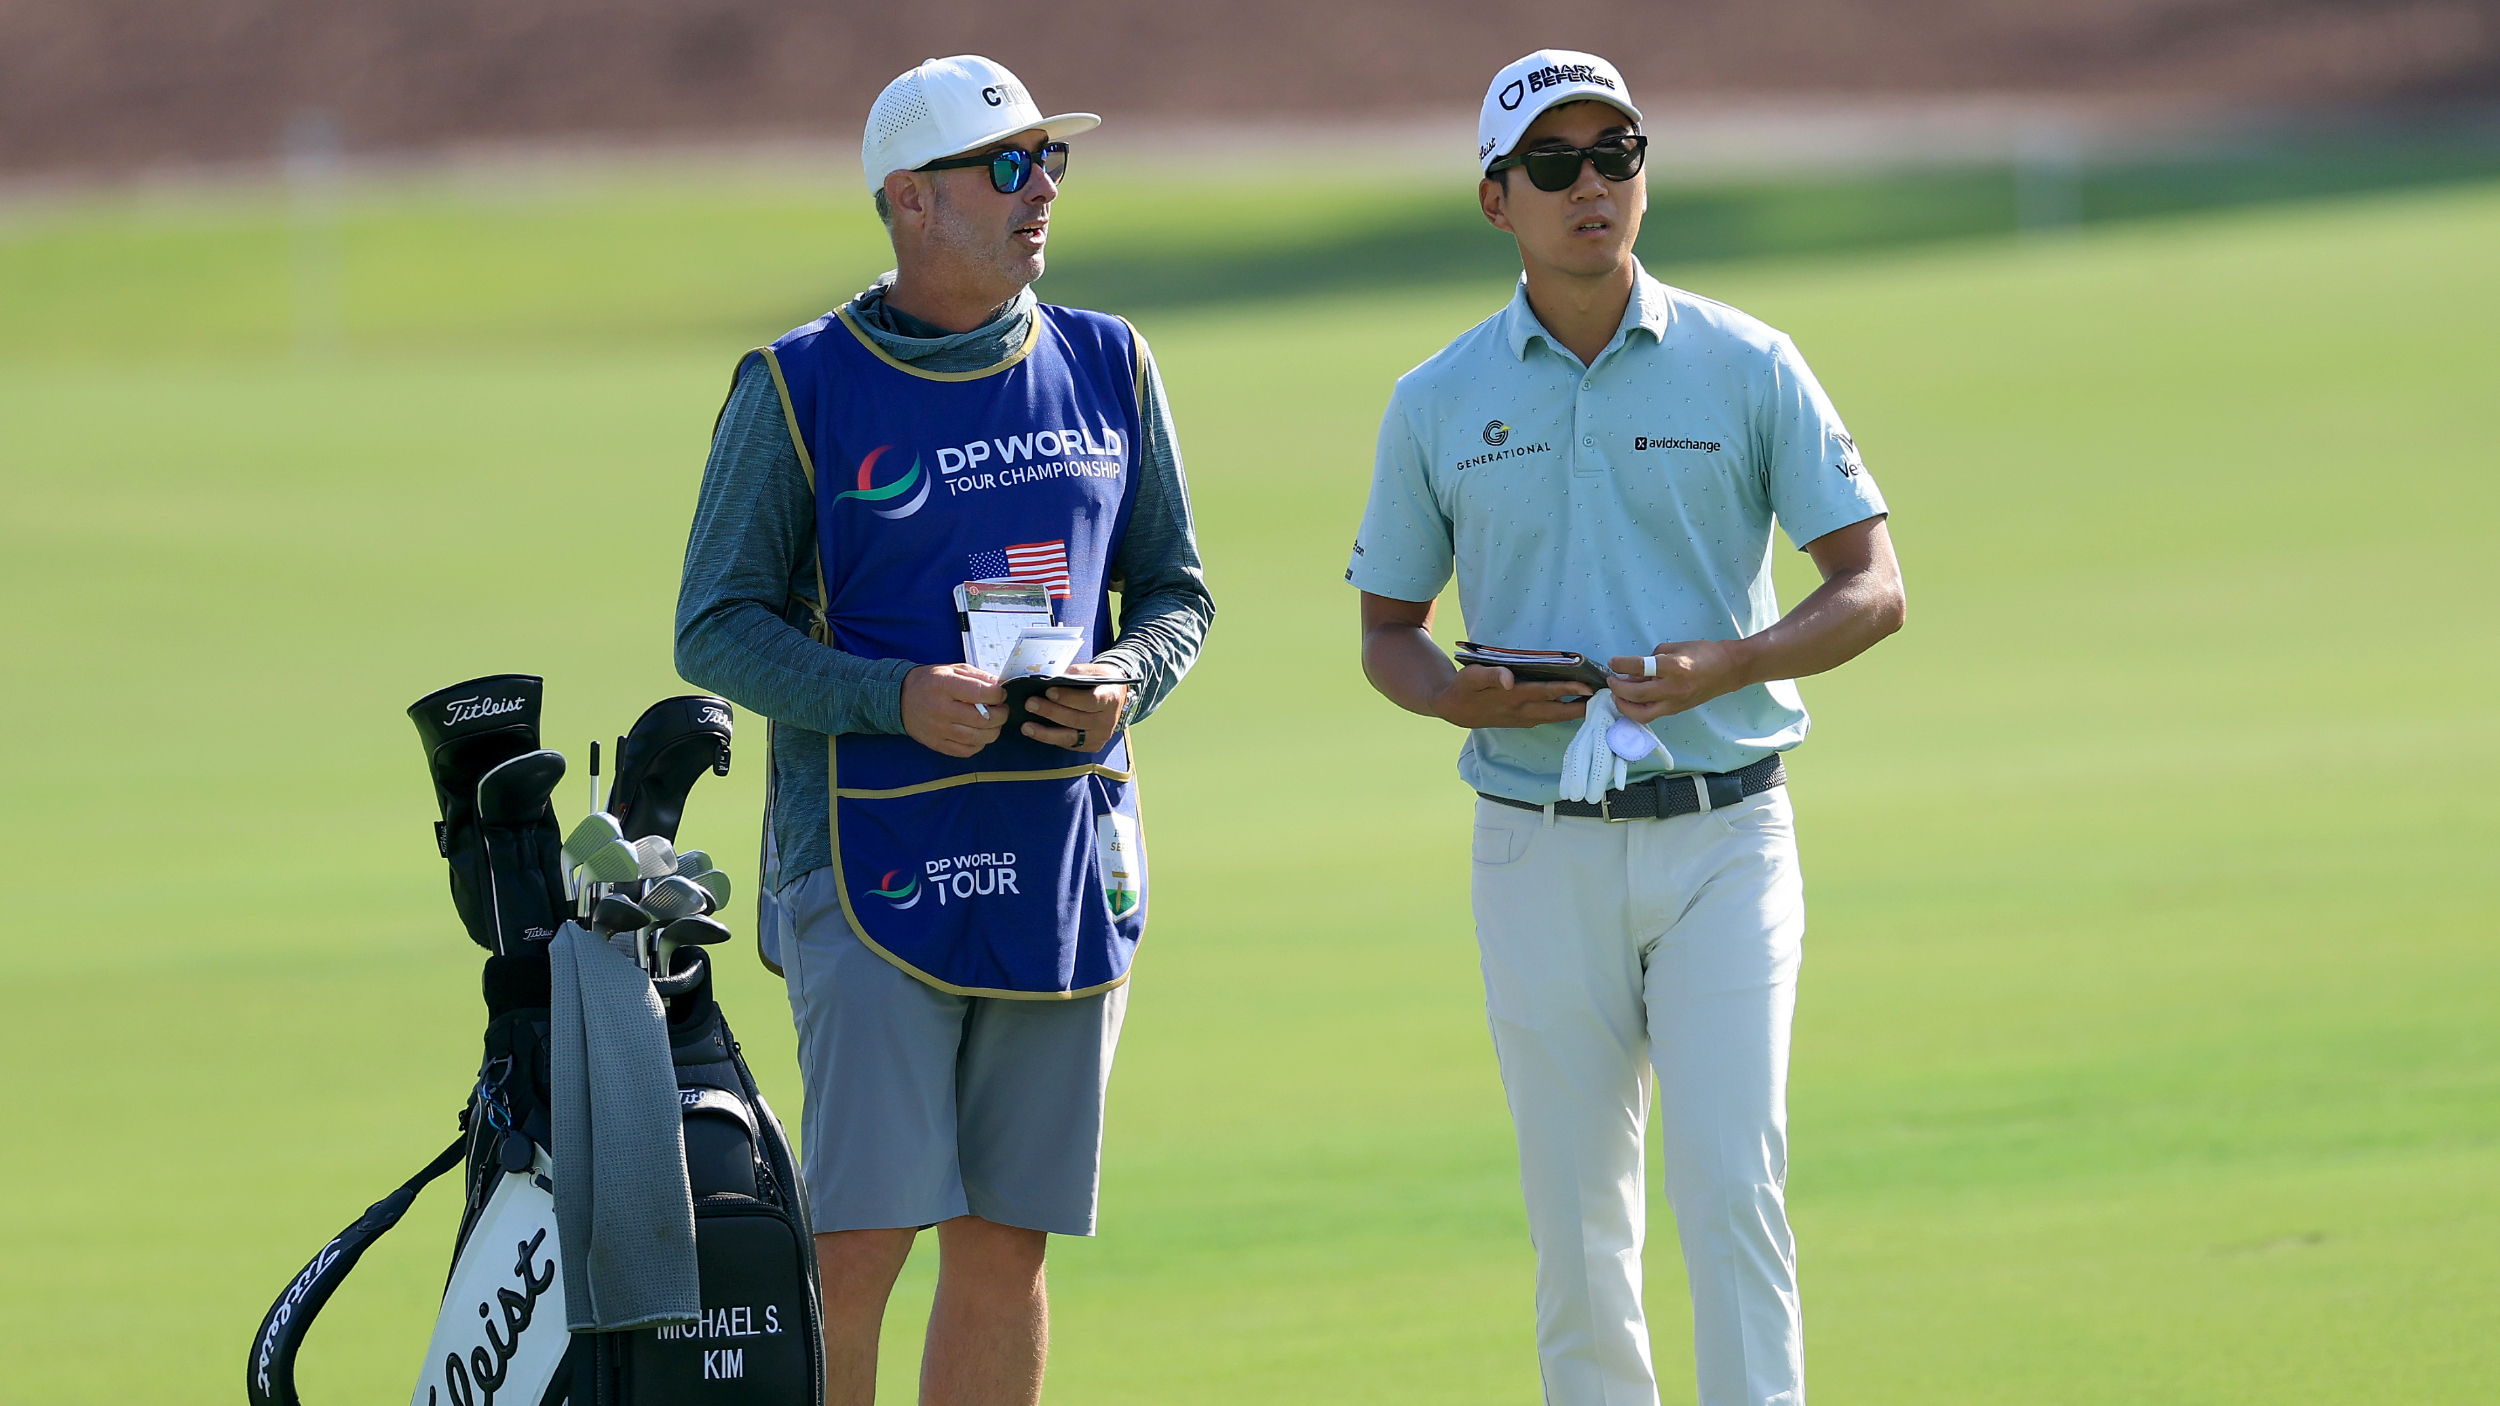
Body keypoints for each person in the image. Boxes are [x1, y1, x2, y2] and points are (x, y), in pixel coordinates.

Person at [1347, 49, 1906, 1406]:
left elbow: (1873, 585)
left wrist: (1737, 661)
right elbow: (1388, 633)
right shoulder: (1436, 400)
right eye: (1555, 165)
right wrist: (1457, 693)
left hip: (1727, 833)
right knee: (1581, 1233)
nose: (1591, 186)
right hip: (1537, 843)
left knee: (1734, 1188)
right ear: (1500, 203)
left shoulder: (1747, 361)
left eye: (1616, 155)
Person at [674, 54, 1212, 1406]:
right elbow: (713, 626)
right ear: (910, 199)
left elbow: (1179, 593)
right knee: (856, 1247)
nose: (1042, 193)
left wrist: (1128, 677)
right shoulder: (797, 386)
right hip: (869, 865)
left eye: (1051, 163)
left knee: (1003, 1243)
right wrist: (889, 696)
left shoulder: (1111, 361)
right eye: (1008, 166)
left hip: (1062, 856)